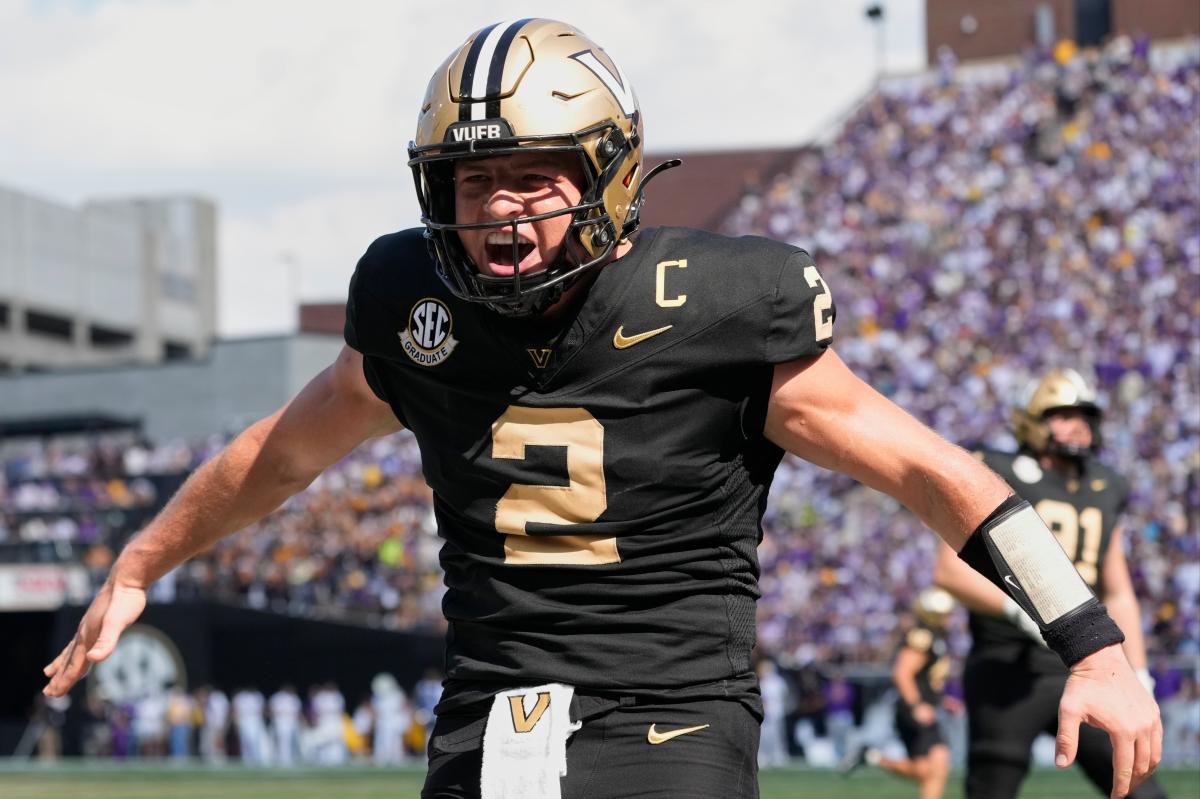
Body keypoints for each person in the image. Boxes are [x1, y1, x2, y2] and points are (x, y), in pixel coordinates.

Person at [43, 19, 1160, 799]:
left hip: (668, 711)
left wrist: (1094, 644)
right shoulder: (416, 303)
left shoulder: (718, 303)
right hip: (487, 711)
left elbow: (933, 472)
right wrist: (142, 561)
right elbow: (279, 457)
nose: (501, 210)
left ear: (610, 175)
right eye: (474, 180)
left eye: (534, 176)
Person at [934, 369, 1167, 799]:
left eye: (1084, 415)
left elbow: (1118, 591)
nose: (1078, 425)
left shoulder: (1105, 484)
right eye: (1063, 415)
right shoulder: (997, 470)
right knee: (992, 787)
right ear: (1031, 420)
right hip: (1008, 665)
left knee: (1138, 786)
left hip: (1085, 658)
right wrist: (1021, 612)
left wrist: (1139, 672)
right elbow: (949, 571)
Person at [841, 588, 957, 799]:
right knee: (933, 767)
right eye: (945, 614)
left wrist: (942, 700)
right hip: (913, 709)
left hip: (925, 707)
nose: (950, 618)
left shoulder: (937, 637)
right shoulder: (923, 636)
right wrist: (916, 705)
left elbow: (925, 679)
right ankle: (873, 757)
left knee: (933, 768)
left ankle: (872, 757)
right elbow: (902, 673)